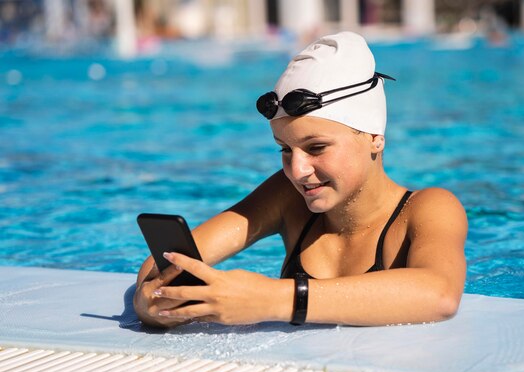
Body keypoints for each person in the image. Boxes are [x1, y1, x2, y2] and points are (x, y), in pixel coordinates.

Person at [133, 31, 467, 328]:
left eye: (316, 147)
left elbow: (439, 295)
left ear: (375, 137)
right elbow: (160, 266)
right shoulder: (286, 197)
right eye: (285, 150)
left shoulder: (428, 209)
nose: (297, 170)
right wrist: (154, 305)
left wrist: (272, 300)